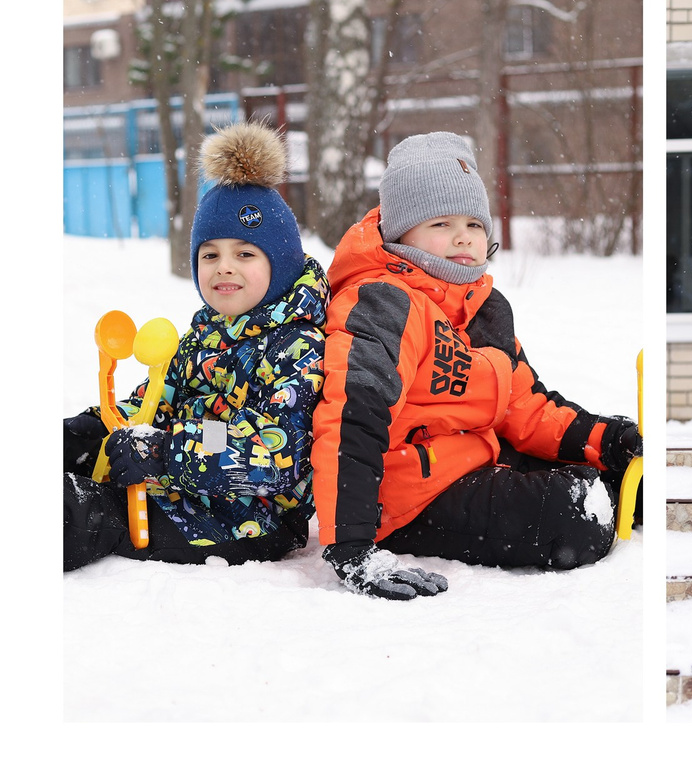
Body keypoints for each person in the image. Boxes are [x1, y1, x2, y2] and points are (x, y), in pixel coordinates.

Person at [313, 133, 641, 597]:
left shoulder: (482, 306)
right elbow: (351, 418)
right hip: (402, 496)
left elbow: (526, 406)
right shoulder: (382, 301)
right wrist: (351, 544)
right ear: (400, 232)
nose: (463, 236)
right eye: (442, 223)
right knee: (576, 518)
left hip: (471, 461)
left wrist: (609, 441)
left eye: (473, 223)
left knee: (623, 477)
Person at [65, 124, 327, 569]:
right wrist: (99, 426)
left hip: (250, 518)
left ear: (280, 263)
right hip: (178, 486)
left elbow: (274, 451)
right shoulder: (205, 334)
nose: (224, 267)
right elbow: (156, 406)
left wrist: (166, 451)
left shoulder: (298, 348)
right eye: (210, 255)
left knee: (86, 515)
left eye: (245, 254)